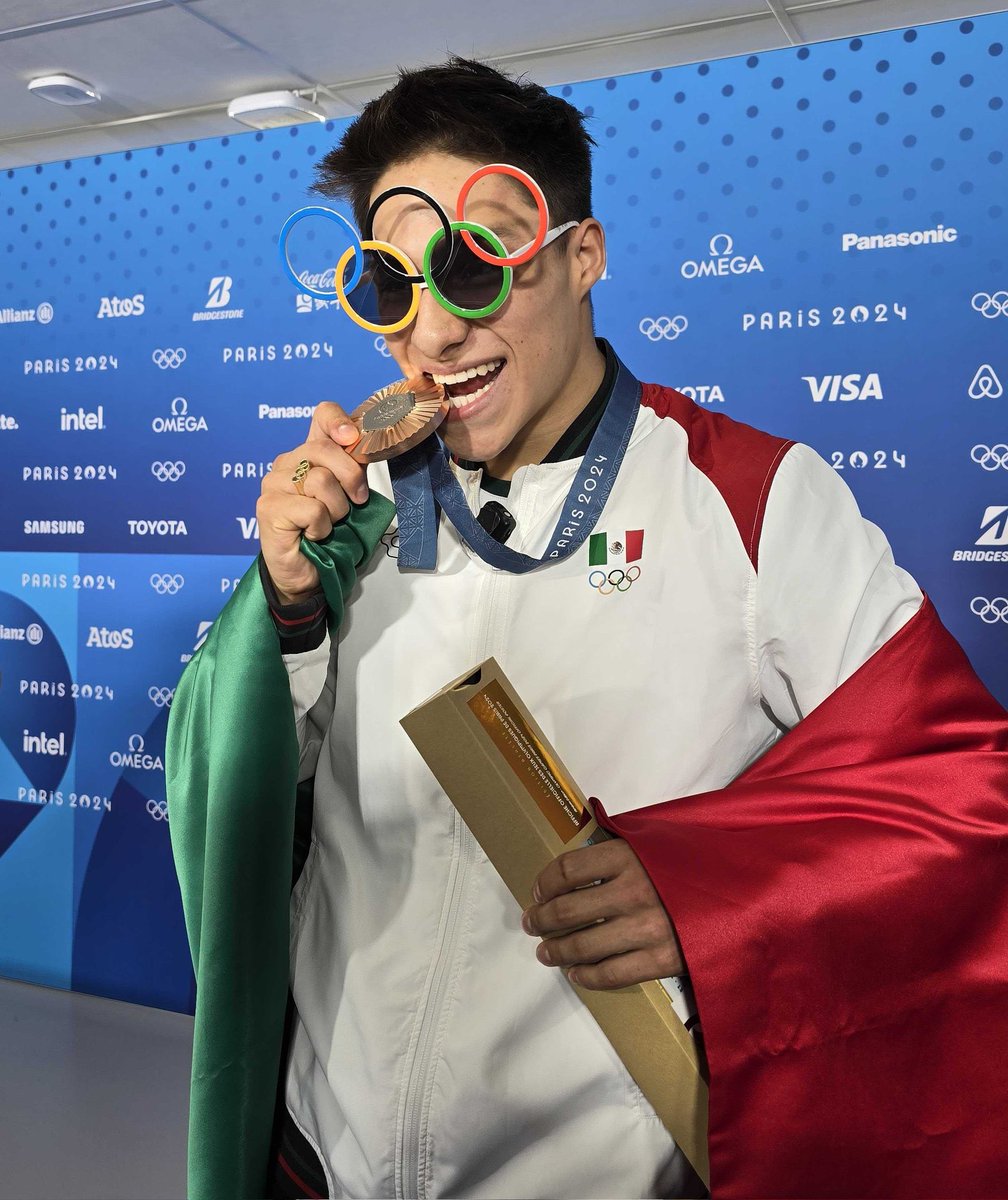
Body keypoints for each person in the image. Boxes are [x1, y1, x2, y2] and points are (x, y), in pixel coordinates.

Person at [169, 56, 1008, 1200]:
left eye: (477, 269)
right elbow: (262, 809)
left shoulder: (753, 500)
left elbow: (957, 792)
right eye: (387, 287)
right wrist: (284, 607)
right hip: (323, 1164)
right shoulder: (349, 515)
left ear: (583, 256)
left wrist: (714, 895)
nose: (433, 333)